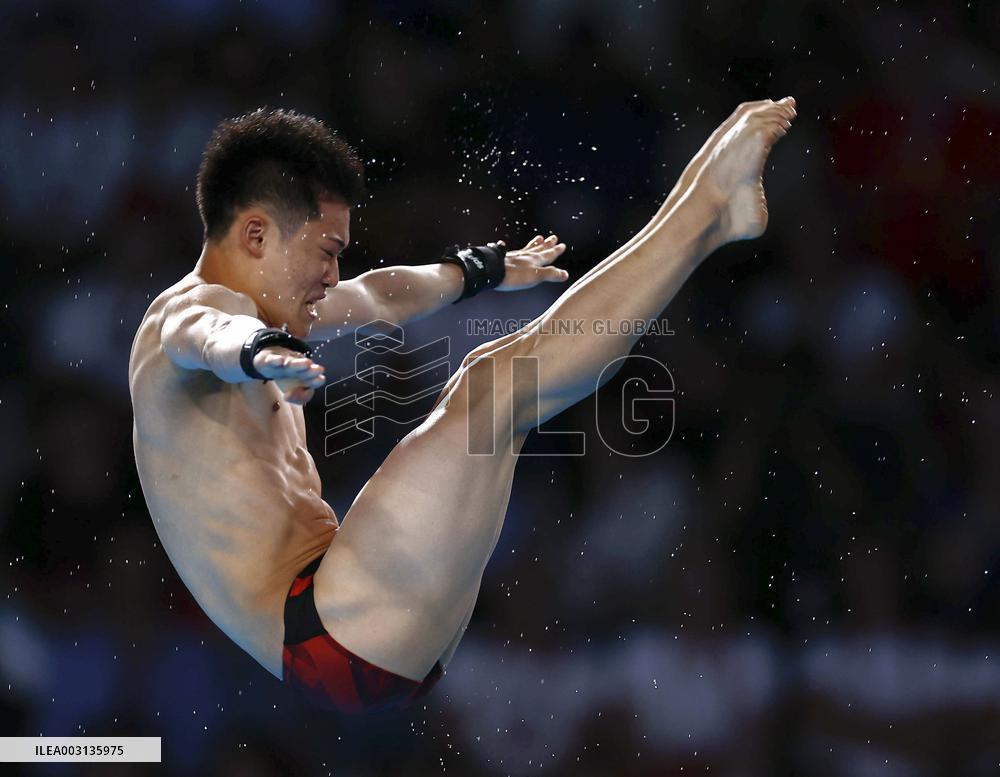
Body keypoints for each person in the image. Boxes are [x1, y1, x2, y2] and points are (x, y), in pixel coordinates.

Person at [129, 98, 795, 714]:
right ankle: (704, 203)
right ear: (254, 236)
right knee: (492, 387)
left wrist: (479, 271)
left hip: (350, 620)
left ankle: (712, 225)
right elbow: (210, 338)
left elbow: (380, 296)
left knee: (497, 390)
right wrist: (261, 350)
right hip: (329, 623)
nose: (334, 274)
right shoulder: (188, 314)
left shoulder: (275, 297)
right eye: (326, 252)